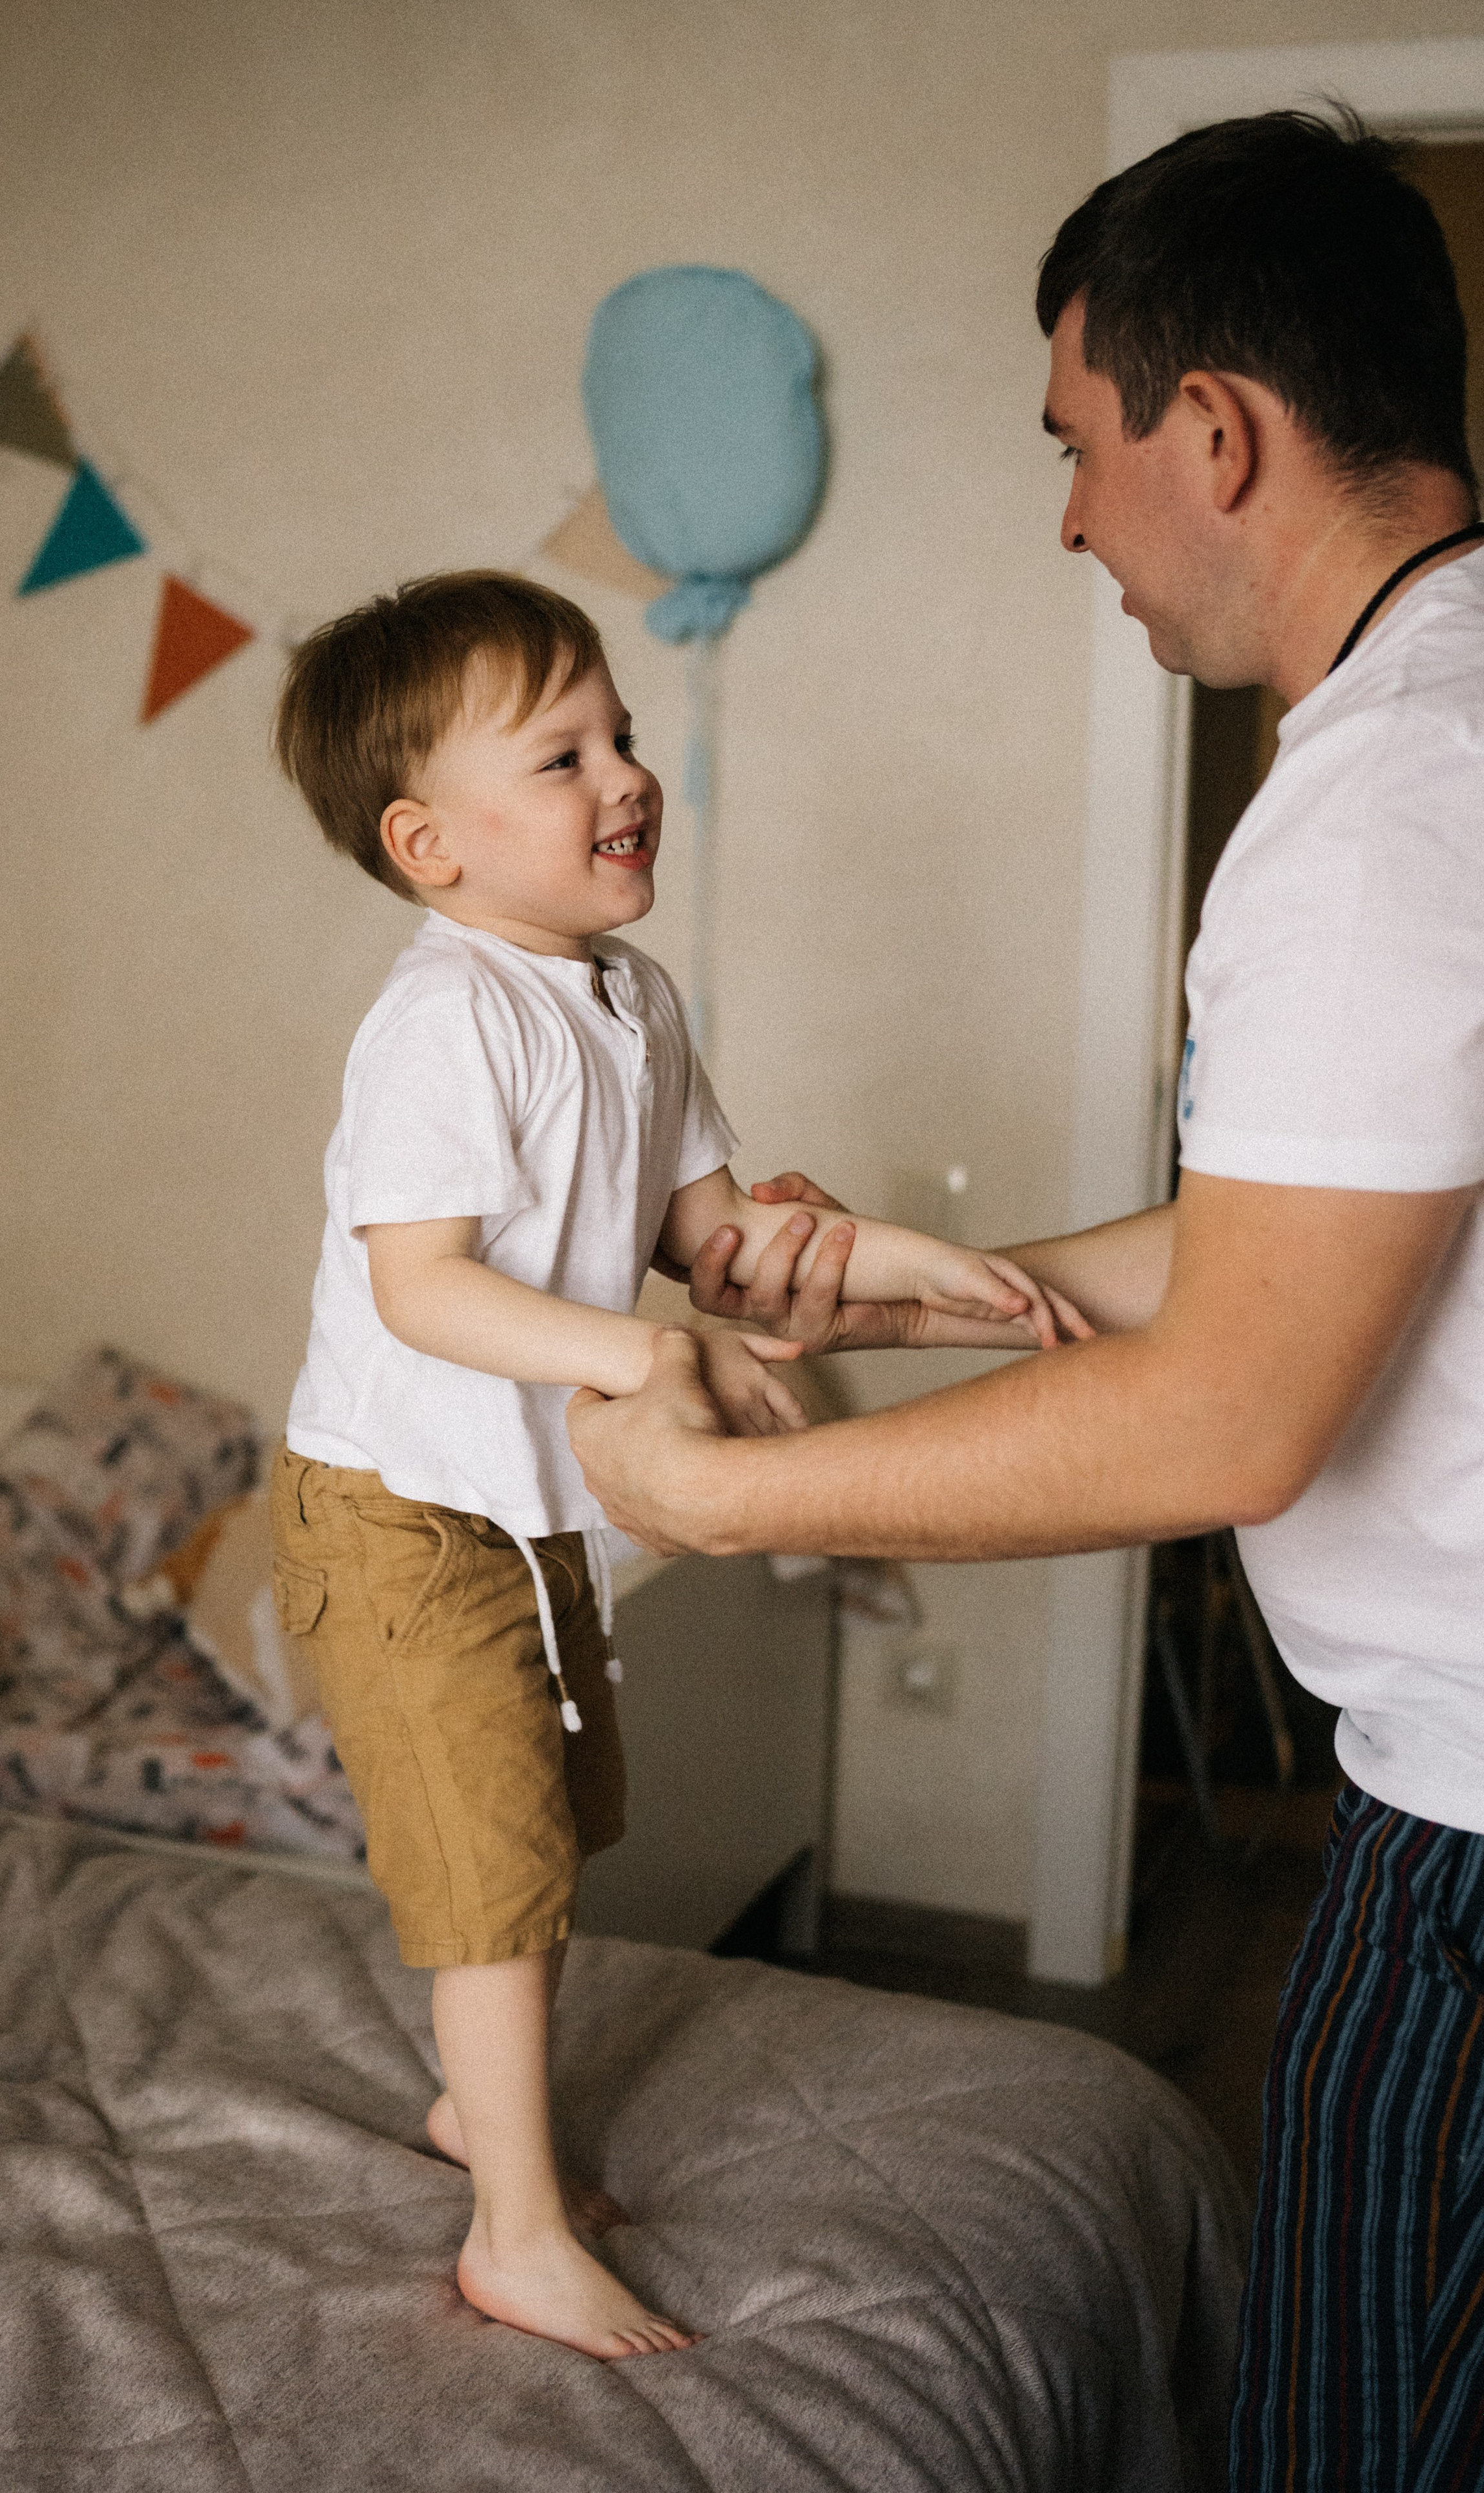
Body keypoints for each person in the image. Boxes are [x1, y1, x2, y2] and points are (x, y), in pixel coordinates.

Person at [568, 111, 1484, 2483]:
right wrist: (919, 1290)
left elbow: (1231, 1413)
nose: (1072, 518)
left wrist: (724, 1498)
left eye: (1078, 444)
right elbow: (1308, 1233)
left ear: (1217, 433)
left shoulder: (1389, 795)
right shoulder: (1448, 719)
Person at [267, 569, 1081, 2363]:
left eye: (620, 734)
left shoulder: (629, 997)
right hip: (401, 1515)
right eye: (560, 756)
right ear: (429, 844)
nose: (624, 775)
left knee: (546, 1828)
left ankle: (479, 2109)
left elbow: (716, 1246)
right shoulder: (448, 1017)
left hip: (521, 1501)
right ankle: (516, 2230)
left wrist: (929, 1268)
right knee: (491, 1867)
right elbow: (422, 1288)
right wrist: (637, 1355)